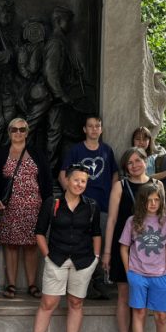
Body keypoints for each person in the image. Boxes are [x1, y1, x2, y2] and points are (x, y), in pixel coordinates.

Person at [25, 164, 102, 332]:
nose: (79, 184)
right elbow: (40, 231)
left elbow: (96, 234)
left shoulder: (91, 205)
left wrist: (95, 258)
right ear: (67, 180)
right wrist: (47, 255)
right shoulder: (52, 203)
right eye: (76, 180)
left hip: (83, 261)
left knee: (76, 303)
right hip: (56, 259)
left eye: (83, 181)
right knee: (48, 303)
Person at [119, 181, 166, 332]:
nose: (153, 203)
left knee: (161, 316)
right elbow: (124, 247)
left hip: (160, 275)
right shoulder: (132, 221)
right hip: (138, 274)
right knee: (139, 313)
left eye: (156, 199)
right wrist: (130, 272)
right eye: (149, 200)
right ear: (142, 202)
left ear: (161, 201)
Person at [0, 117, 52, 299]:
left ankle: (32, 285)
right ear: (9, 132)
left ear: (27, 132)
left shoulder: (36, 153)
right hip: (9, 208)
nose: (18, 133)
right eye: (14, 130)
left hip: (34, 208)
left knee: (32, 246)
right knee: (11, 247)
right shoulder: (2, 153)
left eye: (22, 130)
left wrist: (47, 205)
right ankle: (11, 285)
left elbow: (47, 180)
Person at [102, 147, 153, 332]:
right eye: (129, 162)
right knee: (124, 295)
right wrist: (106, 251)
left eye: (137, 160)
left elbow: (163, 220)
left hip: (150, 250)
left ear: (145, 161)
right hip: (124, 248)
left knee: (142, 297)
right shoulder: (120, 186)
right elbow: (112, 220)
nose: (134, 165)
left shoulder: (156, 185)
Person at [59, 116, 116, 298]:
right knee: (83, 243)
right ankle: (88, 284)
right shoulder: (76, 150)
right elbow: (63, 174)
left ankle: (100, 282)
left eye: (97, 126)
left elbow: (114, 174)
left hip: (104, 204)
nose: (94, 129)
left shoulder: (107, 150)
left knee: (100, 243)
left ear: (101, 129)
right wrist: (72, 196)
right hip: (82, 205)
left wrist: (113, 196)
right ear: (84, 129)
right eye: (90, 126)